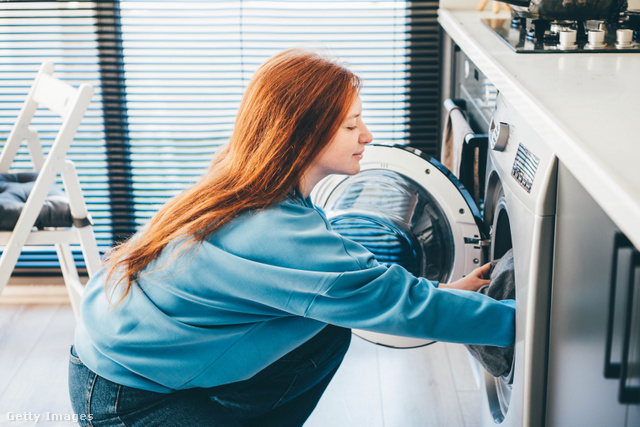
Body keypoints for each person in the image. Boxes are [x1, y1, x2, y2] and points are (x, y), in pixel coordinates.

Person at [69, 48, 515, 427]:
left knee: (327, 328)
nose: (367, 136)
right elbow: (392, 303)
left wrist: (445, 292)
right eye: (350, 125)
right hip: (128, 399)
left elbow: (361, 286)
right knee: (332, 322)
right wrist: (526, 321)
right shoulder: (274, 230)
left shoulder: (243, 183)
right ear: (303, 136)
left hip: (123, 360)